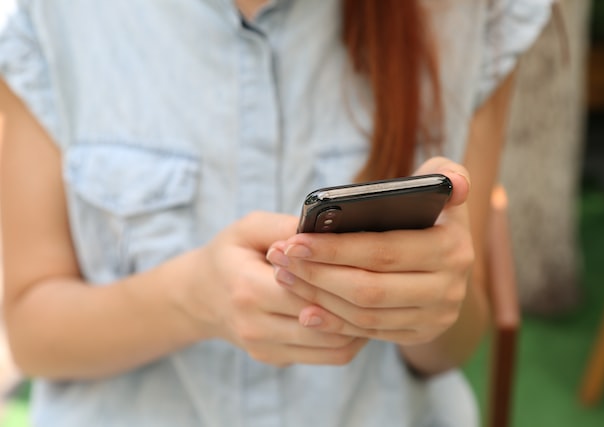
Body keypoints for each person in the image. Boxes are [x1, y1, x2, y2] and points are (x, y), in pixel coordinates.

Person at [0, 1, 551, 426]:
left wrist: (432, 304)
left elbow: (456, 342)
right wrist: (191, 300)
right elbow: (32, 334)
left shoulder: (470, 13)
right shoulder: (51, 18)